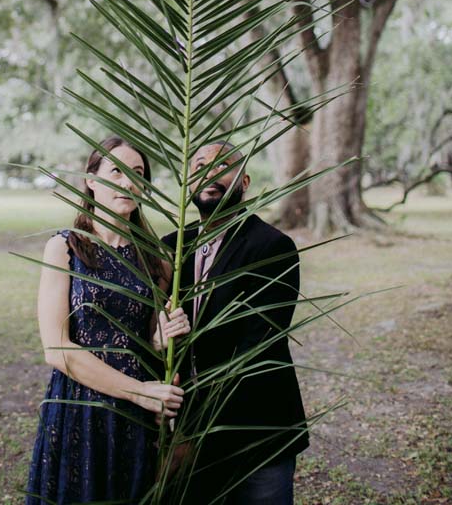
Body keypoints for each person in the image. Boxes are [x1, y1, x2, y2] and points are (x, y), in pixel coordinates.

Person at [26, 136, 188, 505]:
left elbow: (150, 342)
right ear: (92, 180)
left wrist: (162, 339)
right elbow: (57, 349)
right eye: (118, 170)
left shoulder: (156, 261)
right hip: (79, 406)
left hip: (138, 416)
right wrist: (140, 391)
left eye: (139, 174)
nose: (129, 182)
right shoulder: (65, 248)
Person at [161, 141, 309, 505]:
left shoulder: (273, 247)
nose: (208, 175)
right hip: (187, 432)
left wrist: (190, 434)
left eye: (221, 166)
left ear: (243, 182)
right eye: (198, 167)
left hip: (257, 432)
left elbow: (256, 349)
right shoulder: (169, 249)